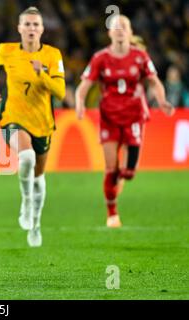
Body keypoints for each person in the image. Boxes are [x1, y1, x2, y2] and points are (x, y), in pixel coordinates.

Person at [75, 15, 174, 228]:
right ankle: (112, 213)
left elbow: (155, 82)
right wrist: (79, 103)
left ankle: (122, 176)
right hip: (109, 118)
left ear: (130, 33)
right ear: (109, 33)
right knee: (111, 168)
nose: (119, 30)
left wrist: (163, 101)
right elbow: (83, 87)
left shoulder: (140, 56)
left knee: (128, 173)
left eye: (124, 27)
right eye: (115, 27)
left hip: (134, 117)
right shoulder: (100, 58)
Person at [0, 7, 65, 247]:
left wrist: (43, 75)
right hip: (12, 117)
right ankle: (26, 203)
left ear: (42, 29)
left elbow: (60, 91)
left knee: (39, 176)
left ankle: (36, 225)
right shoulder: (7, 51)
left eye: (35, 24)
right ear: (19, 28)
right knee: (26, 157)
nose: (31, 28)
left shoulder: (52, 55)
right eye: (26, 24)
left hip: (42, 123)